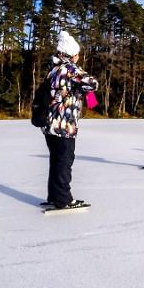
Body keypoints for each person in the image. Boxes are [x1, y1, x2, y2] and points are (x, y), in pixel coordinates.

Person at [40, 31, 98, 209]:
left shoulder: (54, 69)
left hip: (49, 124)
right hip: (64, 125)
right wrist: (86, 90)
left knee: (56, 161)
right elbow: (92, 83)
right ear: (71, 54)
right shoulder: (70, 68)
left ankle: (54, 196)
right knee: (64, 162)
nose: (79, 57)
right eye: (77, 54)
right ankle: (63, 199)